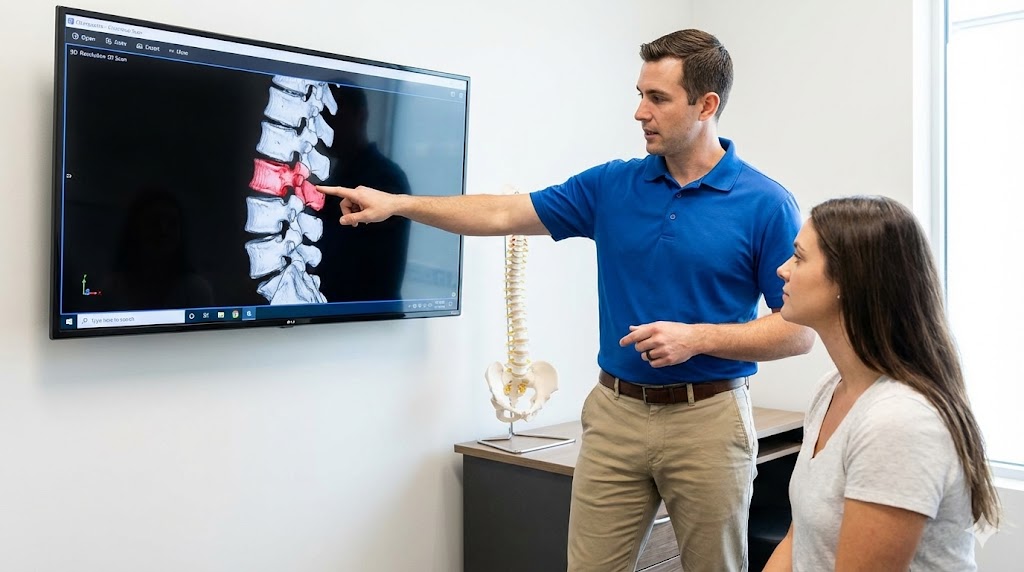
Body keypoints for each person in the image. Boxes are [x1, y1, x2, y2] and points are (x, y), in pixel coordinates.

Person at [318, 29, 814, 572]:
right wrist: (397, 203)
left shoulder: (765, 203)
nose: (639, 111)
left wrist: (698, 338)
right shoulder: (611, 186)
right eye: (640, 93)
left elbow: (798, 330)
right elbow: (502, 214)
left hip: (709, 420)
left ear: (706, 105)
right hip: (614, 415)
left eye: (658, 98)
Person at [765, 196, 1001, 571]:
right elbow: (798, 543)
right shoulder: (832, 389)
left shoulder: (899, 421)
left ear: (850, 280)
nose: (782, 270)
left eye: (799, 257)